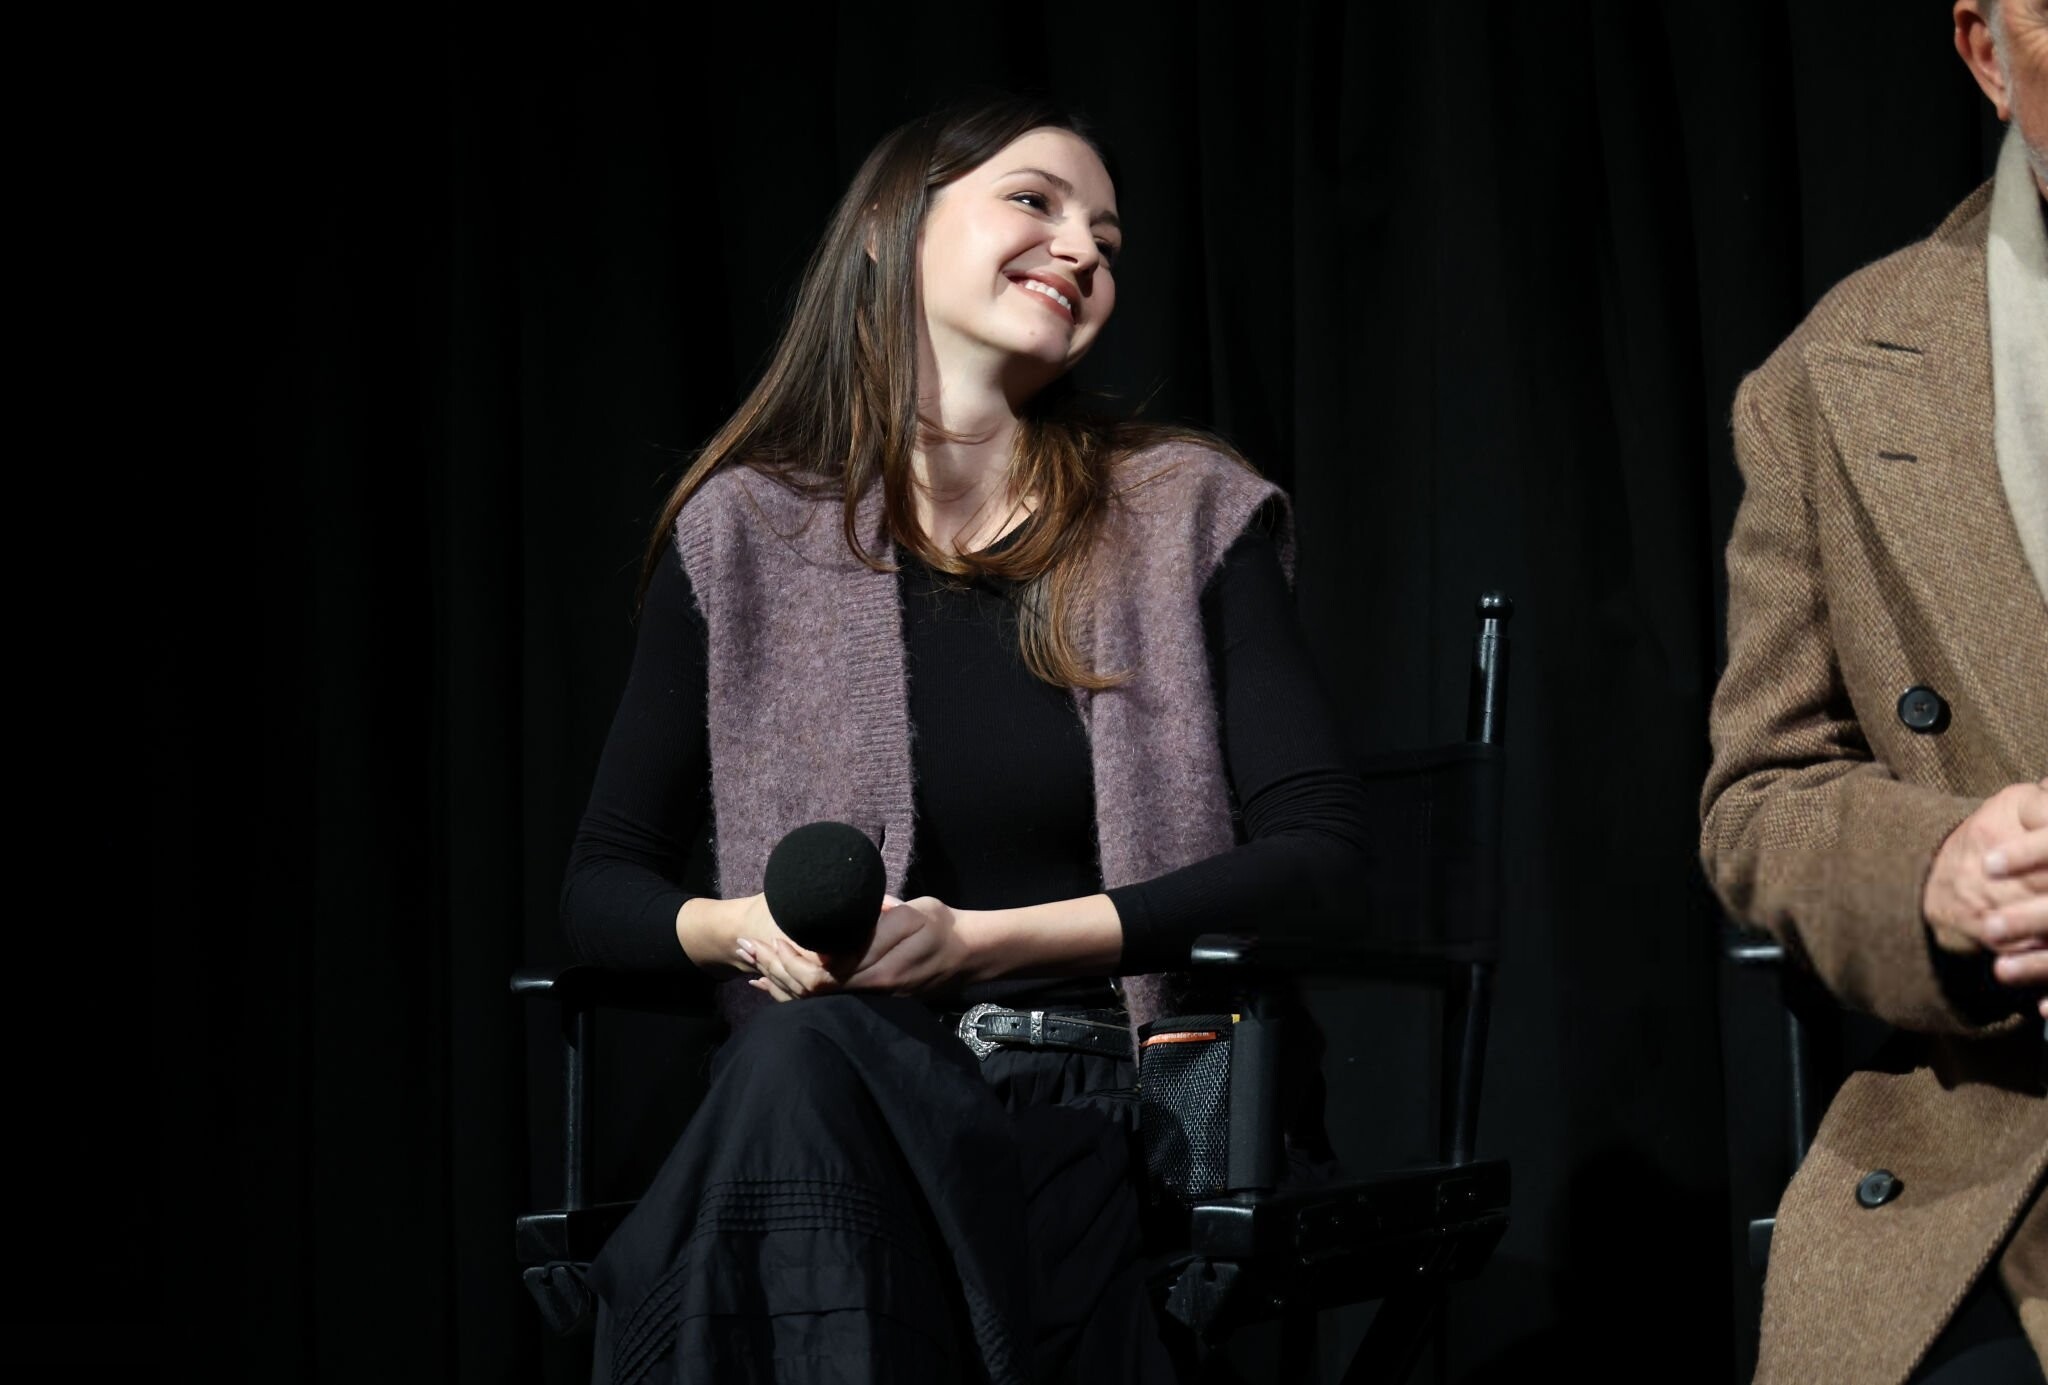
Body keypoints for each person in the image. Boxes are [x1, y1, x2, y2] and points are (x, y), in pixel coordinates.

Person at [559, 94, 1369, 1383]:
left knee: (786, 1126)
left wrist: (981, 942)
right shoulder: (744, 534)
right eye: (1036, 202)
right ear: (891, 227)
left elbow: (1320, 856)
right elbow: (600, 886)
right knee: (804, 1067)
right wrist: (742, 930)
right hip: (831, 1092)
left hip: (1110, 1108)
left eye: (1108, 240)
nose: (1083, 249)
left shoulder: (1186, 512)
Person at [1700, 1, 2048, 1379]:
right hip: (2008, 1136)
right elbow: (1761, 796)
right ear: (1988, 54)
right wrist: (1938, 872)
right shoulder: (1834, 378)